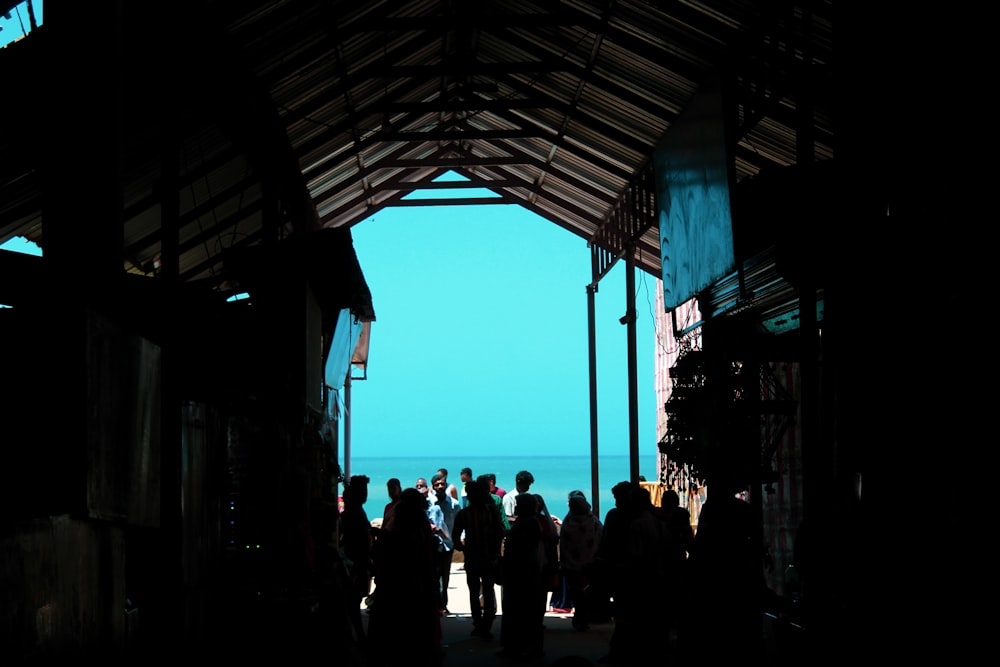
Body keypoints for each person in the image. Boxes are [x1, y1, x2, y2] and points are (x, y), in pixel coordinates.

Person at [366, 487, 444, 666]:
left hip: (396, 588)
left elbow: (381, 556)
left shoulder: (397, 530)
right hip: (417, 586)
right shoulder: (422, 528)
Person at [452, 475, 505, 639]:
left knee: (474, 593)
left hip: (473, 559)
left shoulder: (464, 514)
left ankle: (478, 623)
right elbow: (501, 531)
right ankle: (486, 625)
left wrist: (463, 546)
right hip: (488, 558)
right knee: (488, 592)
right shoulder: (491, 511)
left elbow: (456, 538)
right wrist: (495, 550)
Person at [497, 493, 547, 660]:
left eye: (519, 505)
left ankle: (525, 647)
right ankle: (518, 646)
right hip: (520, 574)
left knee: (523, 612)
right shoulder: (528, 522)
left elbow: (525, 550)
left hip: (523, 575)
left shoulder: (529, 523)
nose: (516, 508)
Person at [558, 489, 603, 631]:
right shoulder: (593, 522)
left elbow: (564, 542)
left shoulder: (568, 521)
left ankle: (580, 617)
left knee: (577, 592)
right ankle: (583, 617)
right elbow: (600, 539)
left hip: (573, 564)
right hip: (589, 563)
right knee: (583, 592)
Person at [338, 474, 372, 645]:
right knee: (352, 603)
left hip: (357, 564)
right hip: (354, 565)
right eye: (362, 490)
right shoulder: (353, 513)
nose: (365, 494)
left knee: (353, 603)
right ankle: (356, 637)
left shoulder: (355, 511)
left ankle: (356, 636)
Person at [430, 471, 461, 612]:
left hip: (448, 545)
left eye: (443, 484)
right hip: (433, 545)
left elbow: (459, 522)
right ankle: (437, 604)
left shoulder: (454, 504)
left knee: (445, 576)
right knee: (435, 576)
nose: (440, 486)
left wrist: (459, 538)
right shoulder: (429, 504)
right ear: (433, 487)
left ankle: (443, 604)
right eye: (437, 484)